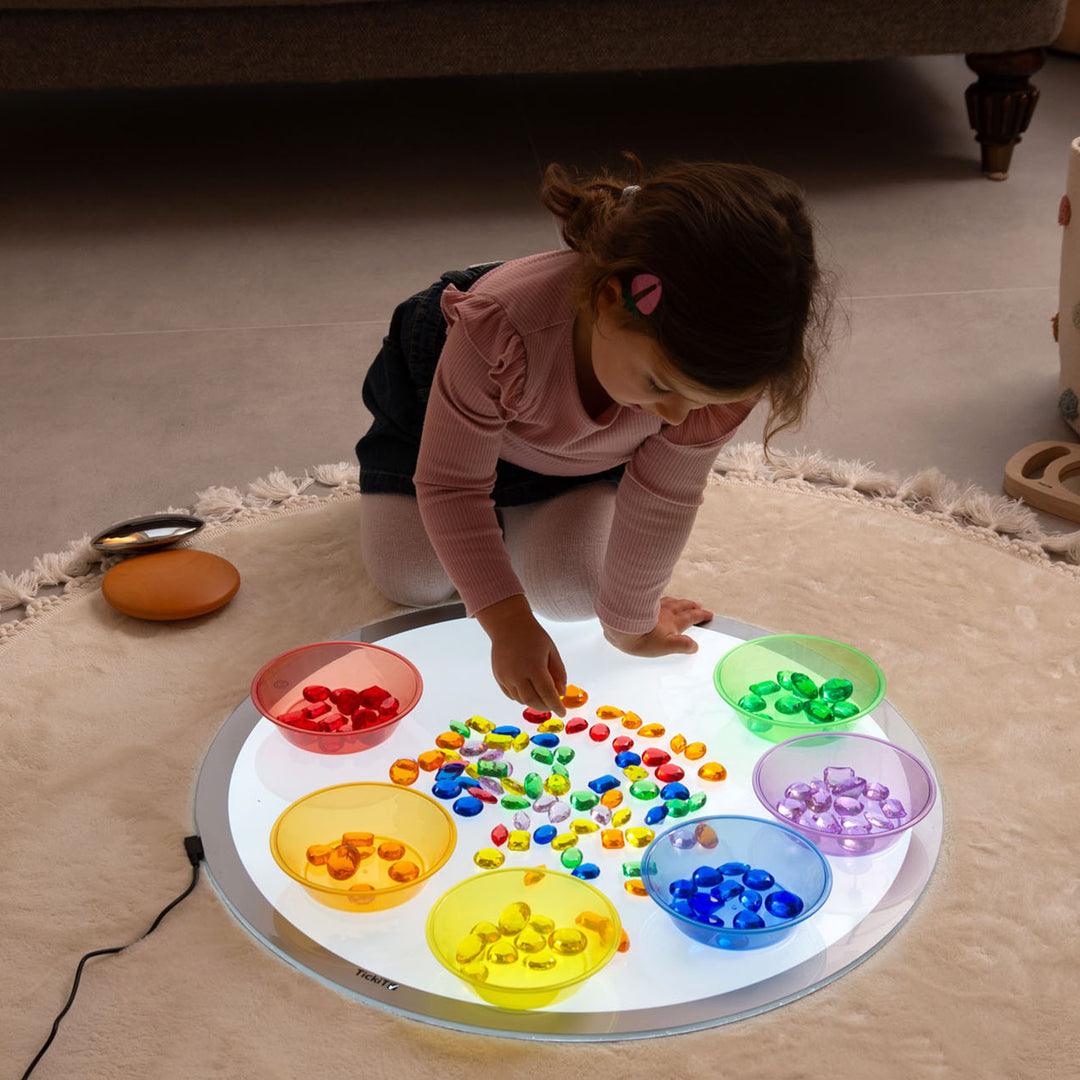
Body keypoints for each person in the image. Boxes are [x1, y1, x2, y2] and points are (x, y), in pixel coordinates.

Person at [356, 155, 830, 717]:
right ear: (608, 301)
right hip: (437, 428)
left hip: (573, 459)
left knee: (575, 596)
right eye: (659, 385)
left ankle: (512, 526)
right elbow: (453, 484)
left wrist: (631, 625)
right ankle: (480, 534)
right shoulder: (499, 328)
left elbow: (664, 494)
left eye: (697, 400)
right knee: (411, 579)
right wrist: (505, 618)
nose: (677, 418)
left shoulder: (714, 380)